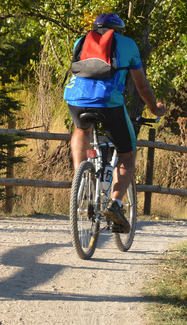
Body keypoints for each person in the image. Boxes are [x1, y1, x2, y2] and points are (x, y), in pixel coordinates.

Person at [64, 12, 166, 233]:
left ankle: (80, 179)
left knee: (81, 129)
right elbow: (142, 87)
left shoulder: (80, 42)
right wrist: (154, 108)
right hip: (108, 103)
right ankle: (116, 205)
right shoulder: (128, 44)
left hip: (75, 99)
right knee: (127, 153)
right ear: (117, 30)